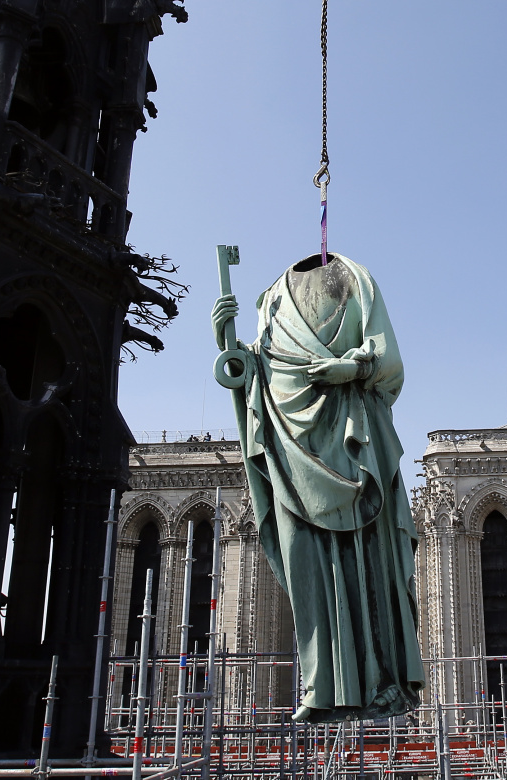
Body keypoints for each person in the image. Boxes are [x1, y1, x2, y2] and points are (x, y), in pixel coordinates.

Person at [211, 252, 423, 723]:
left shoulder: (357, 281)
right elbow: (257, 373)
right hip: (291, 454)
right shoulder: (271, 298)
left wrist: (353, 370)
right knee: (305, 568)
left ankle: (381, 683)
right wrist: (226, 339)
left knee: (367, 566)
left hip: (351, 444)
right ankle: (321, 684)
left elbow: (389, 362)